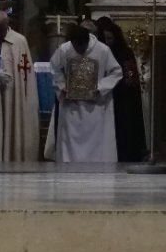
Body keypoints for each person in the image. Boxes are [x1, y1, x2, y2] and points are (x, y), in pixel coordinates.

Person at [49, 23, 121, 162]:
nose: (79, 50)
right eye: (76, 46)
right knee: (70, 144)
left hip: (96, 107)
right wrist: (62, 85)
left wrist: (99, 88)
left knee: (96, 145)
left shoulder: (103, 50)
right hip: (72, 107)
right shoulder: (64, 50)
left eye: (81, 46)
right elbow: (55, 69)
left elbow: (116, 72)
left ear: (87, 41)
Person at [0, 10, 39, 162]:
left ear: (7, 24)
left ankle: (13, 155)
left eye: (1, 29)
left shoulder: (19, 41)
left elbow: (25, 71)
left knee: (13, 119)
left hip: (14, 91)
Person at [94, 17, 147, 162]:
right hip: (103, 99)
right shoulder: (96, 53)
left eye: (110, 39)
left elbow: (131, 80)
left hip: (122, 98)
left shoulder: (124, 52)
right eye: (104, 39)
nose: (107, 43)